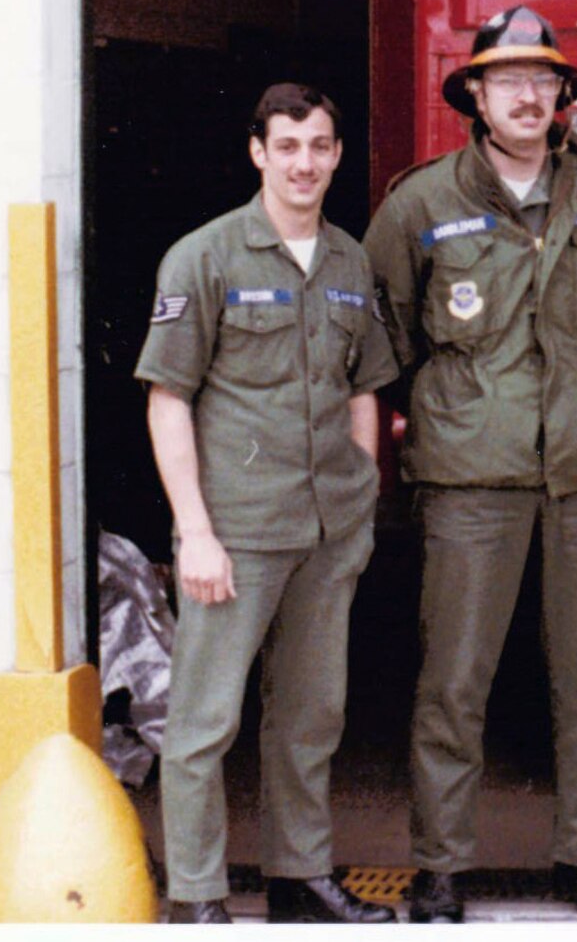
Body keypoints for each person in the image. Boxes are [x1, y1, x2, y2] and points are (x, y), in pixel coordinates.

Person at [362, 5, 577, 924]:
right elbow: (383, 340)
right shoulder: (420, 203)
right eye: (507, 78)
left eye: (544, 79)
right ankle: (442, 866)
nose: (528, 94)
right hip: (469, 480)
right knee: (454, 682)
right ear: (474, 93)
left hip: (574, 479)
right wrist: (452, 423)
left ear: (564, 95)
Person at [136, 83, 398, 925]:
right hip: (238, 530)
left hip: (328, 528)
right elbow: (167, 399)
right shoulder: (204, 257)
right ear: (258, 151)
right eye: (287, 145)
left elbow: (367, 386)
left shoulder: (351, 260)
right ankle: (199, 894)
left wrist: (363, 492)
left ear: (337, 155)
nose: (304, 162)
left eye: (320, 146)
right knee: (205, 720)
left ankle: (299, 877)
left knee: (311, 716)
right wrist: (196, 531)